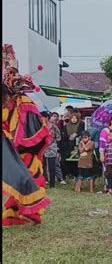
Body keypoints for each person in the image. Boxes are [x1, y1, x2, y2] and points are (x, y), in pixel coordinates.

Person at [2, 44, 51, 226]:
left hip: (24, 150)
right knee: (19, 178)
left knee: (27, 177)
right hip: (11, 148)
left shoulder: (25, 102)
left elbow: (33, 130)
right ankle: (15, 214)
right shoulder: (8, 104)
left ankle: (28, 213)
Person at [41, 111, 62, 188]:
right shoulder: (40, 126)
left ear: (47, 118)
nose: (41, 118)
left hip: (51, 147)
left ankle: (52, 184)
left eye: (43, 117)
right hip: (42, 148)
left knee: (51, 165)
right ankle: (44, 181)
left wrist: (52, 143)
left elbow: (59, 138)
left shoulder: (54, 127)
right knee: (42, 165)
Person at [61, 113, 85, 178]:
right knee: (64, 160)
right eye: (72, 118)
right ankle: (68, 174)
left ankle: (76, 175)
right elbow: (64, 136)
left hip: (77, 146)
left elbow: (81, 132)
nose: (74, 120)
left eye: (75, 118)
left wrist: (76, 134)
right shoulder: (66, 126)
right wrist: (70, 137)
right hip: (67, 146)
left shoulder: (81, 125)